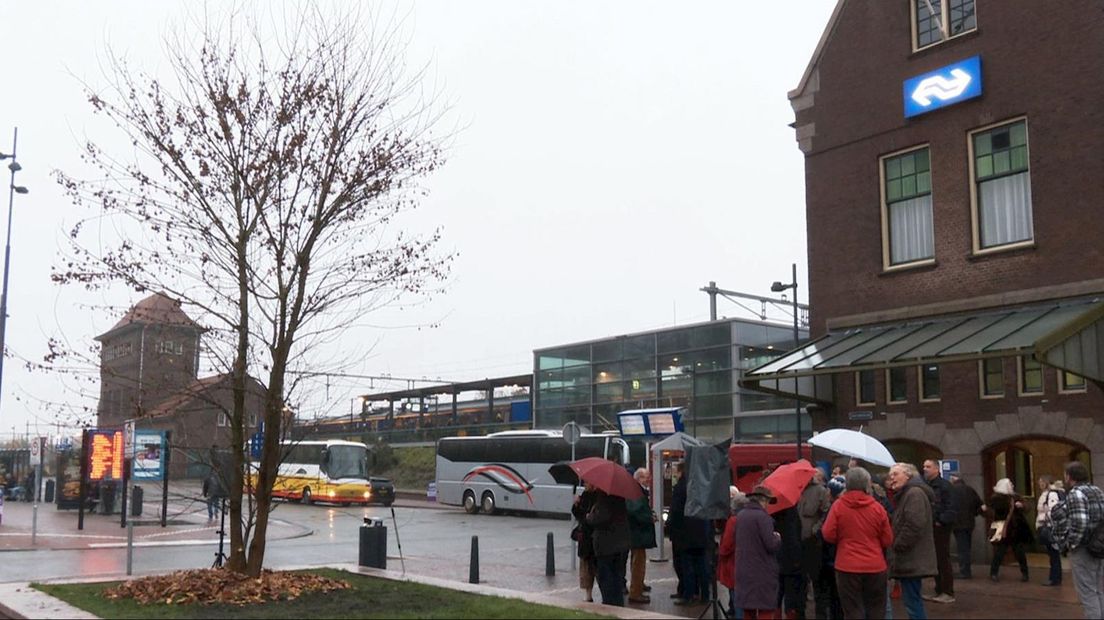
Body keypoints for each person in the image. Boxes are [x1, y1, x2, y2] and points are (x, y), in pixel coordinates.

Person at [821, 466, 893, 620]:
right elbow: (887, 539)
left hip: (846, 565)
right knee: (876, 610)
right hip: (875, 565)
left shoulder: (838, 506)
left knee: (852, 610)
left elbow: (828, 534)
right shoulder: (877, 508)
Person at [1051, 460, 1104, 618]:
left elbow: (1079, 523)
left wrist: (1070, 544)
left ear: (1069, 476)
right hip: (1099, 546)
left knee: (1087, 593)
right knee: (1098, 590)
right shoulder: (1097, 491)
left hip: (1084, 548)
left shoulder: (1076, 493)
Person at [885, 462, 936, 620]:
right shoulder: (906, 494)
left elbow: (914, 524)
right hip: (910, 558)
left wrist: (898, 545)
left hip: (911, 558)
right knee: (912, 601)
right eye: (890, 475)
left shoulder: (913, 493)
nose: (892, 478)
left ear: (908, 476)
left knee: (913, 603)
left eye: (896, 474)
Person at [735, 485, 782, 619]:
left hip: (744, 570)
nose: (768, 505)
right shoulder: (763, 517)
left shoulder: (741, 515)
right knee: (765, 610)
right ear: (762, 500)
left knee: (748, 610)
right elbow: (771, 544)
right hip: (762, 572)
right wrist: (777, 537)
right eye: (767, 501)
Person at [669, 461, 711, 606]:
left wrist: (670, 528)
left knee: (687, 566)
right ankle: (705, 595)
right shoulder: (701, 485)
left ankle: (688, 595)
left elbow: (675, 511)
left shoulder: (680, 487)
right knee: (702, 565)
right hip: (701, 531)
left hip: (685, 533)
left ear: (681, 471)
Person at [586, 487, 630, 607]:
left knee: (607, 579)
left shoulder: (604, 497)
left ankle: (610, 606)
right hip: (619, 544)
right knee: (617, 577)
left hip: (606, 546)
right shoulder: (620, 495)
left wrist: (589, 516)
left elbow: (601, 518)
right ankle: (618, 605)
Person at [797, 469, 831, 619]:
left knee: (818, 584)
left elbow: (827, 513)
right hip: (798, 543)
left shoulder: (820, 491)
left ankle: (821, 615)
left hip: (814, 543)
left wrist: (816, 529)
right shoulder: (795, 491)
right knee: (800, 583)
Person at [921, 459, 956, 603]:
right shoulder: (927, 486)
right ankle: (939, 589)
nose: (925, 469)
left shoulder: (945, 486)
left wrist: (941, 520)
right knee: (935, 560)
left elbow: (951, 507)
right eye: (924, 466)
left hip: (940, 527)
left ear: (936, 469)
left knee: (942, 559)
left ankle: (947, 591)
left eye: (928, 466)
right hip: (931, 526)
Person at [987, 477, 1032, 583]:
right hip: (1003, 528)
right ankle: (994, 572)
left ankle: (1025, 573)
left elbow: (1027, 507)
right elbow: (993, 511)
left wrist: (1022, 506)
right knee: (1000, 552)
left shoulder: (1016, 497)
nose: (1012, 485)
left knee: (1019, 552)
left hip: (1015, 528)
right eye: (1010, 484)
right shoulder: (996, 498)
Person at [626, 468, 656, 604]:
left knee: (637, 561)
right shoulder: (636, 492)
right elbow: (635, 511)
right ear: (638, 478)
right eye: (645, 477)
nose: (648, 479)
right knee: (638, 563)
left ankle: (638, 586)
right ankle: (635, 592)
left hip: (636, 533)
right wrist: (649, 517)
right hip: (637, 533)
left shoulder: (636, 490)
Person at [719, 490, 750, 619]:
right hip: (748, 563)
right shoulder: (751, 518)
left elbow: (726, 546)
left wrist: (720, 552)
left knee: (736, 597)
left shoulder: (733, 521)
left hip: (733, 563)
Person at [948, 474, 984, 579]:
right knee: (966, 547)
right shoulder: (970, 490)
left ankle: (964, 571)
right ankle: (966, 569)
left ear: (953, 480)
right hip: (969, 522)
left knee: (962, 548)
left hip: (957, 523)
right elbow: (979, 505)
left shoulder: (952, 491)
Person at [1035, 474, 1066, 587]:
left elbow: (1053, 511)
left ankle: (1054, 578)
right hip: (1049, 526)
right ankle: (1055, 577)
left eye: (1042, 482)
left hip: (1049, 527)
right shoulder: (1049, 493)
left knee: (1053, 554)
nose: (1040, 484)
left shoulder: (1051, 494)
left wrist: (1046, 519)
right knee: (1053, 554)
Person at [571, 482, 600, 603]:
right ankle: (588, 594)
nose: (585, 484)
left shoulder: (600, 496)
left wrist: (588, 516)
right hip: (585, 537)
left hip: (595, 537)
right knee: (585, 567)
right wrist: (576, 504)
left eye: (587, 481)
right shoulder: (584, 495)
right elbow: (578, 514)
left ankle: (604, 592)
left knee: (597, 567)